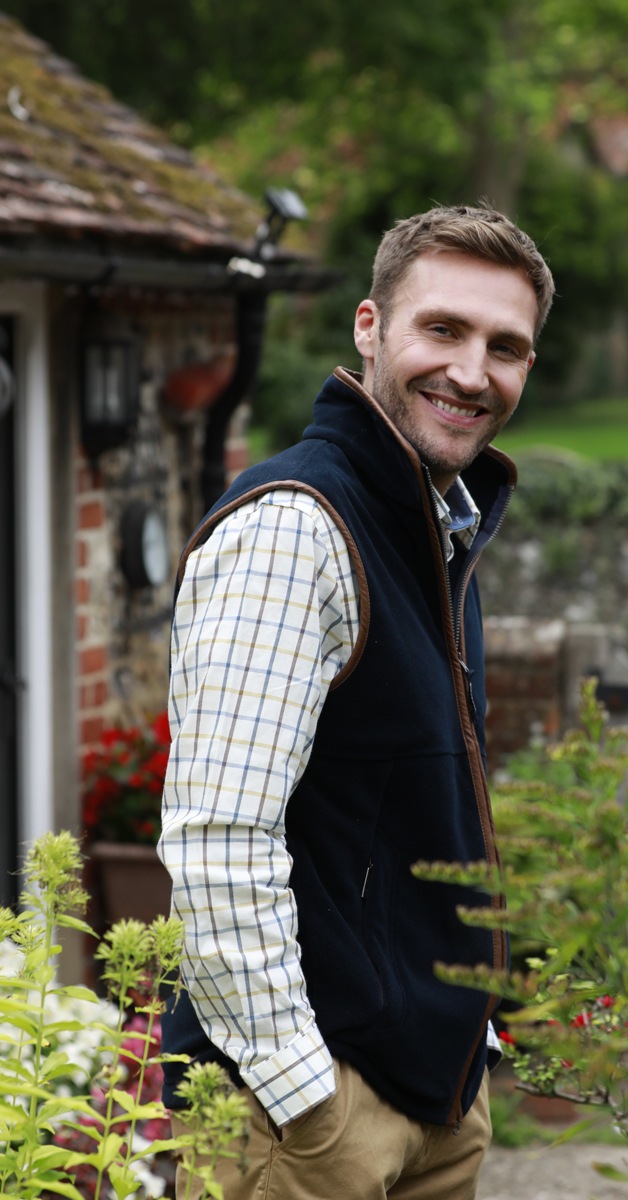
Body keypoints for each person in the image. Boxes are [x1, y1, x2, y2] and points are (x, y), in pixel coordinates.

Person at [158, 205, 554, 1199]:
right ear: (370, 329)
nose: (472, 372)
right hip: (308, 1113)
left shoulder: (433, 532)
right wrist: (306, 1099)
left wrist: (472, 1037)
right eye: (443, 330)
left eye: (504, 347)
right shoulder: (298, 531)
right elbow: (217, 839)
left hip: (429, 1093)